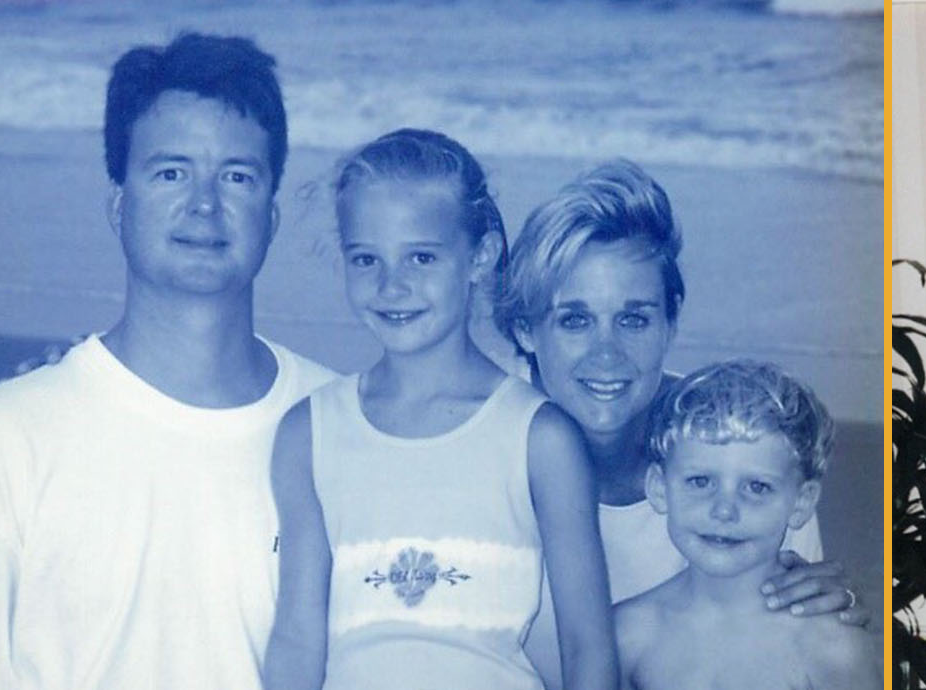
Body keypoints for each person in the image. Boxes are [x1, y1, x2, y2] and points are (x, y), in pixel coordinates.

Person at [0, 33, 336, 689]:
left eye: (237, 176)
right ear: (118, 205)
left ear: (272, 214)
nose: (205, 204)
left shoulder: (340, 428)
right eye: (171, 172)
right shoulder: (7, 437)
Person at [261, 128, 616, 690]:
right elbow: (298, 638)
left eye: (421, 257)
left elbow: (588, 650)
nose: (392, 285)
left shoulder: (538, 438)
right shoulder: (310, 432)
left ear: (480, 257)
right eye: (365, 260)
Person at [499, 159, 865, 690]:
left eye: (634, 318)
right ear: (525, 330)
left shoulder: (738, 442)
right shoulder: (477, 447)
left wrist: (829, 609)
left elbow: (786, 636)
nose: (607, 354)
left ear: (671, 321)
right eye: (574, 319)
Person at [613, 360, 879, 689]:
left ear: (802, 502)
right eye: (700, 481)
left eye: (756, 487)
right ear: (658, 487)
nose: (724, 510)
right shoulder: (627, 635)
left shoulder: (832, 648)